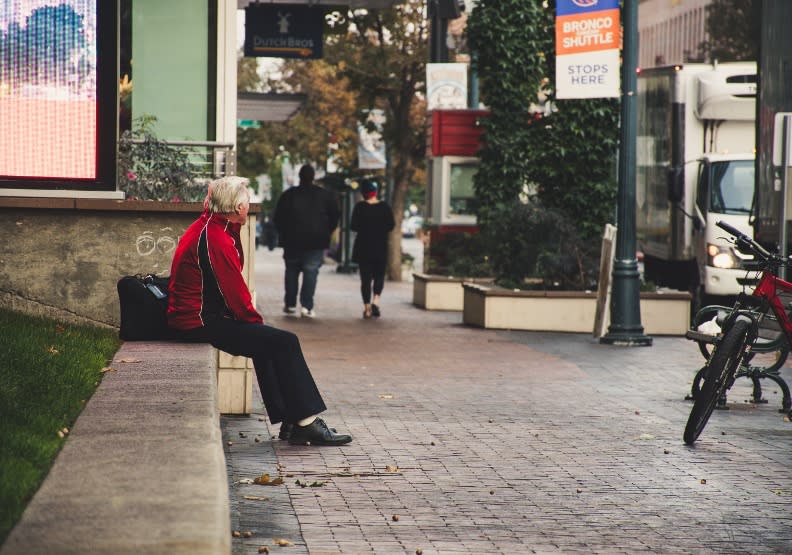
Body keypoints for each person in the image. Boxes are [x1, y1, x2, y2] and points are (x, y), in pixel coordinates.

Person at [167, 176, 351, 446]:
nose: (249, 206)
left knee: (268, 341)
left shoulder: (215, 225)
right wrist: (255, 323)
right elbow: (233, 291)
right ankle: (306, 423)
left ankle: (292, 421)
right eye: (245, 201)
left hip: (200, 315)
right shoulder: (215, 237)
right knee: (284, 341)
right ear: (237, 208)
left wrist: (226, 186)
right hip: (198, 320)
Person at [273, 165, 339, 319]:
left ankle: (290, 304)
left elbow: (278, 218)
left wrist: (284, 233)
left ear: (299, 176)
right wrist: (326, 232)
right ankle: (306, 306)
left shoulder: (288, 195)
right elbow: (334, 217)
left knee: (291, 272)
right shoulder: (325, 196)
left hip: (291, 241)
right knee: (311, 273)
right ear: (313, 177)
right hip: (316, 241)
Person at [350, 180, 395, 319]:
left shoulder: (359, 207)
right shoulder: (385, 207)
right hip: (380, 247)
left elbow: (353, 226)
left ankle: (367, 308)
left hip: (363, 248)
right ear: (376, 193)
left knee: (365, 279)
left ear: (364, 194)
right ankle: (376, 300)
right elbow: (391, 225)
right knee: (379, 276)